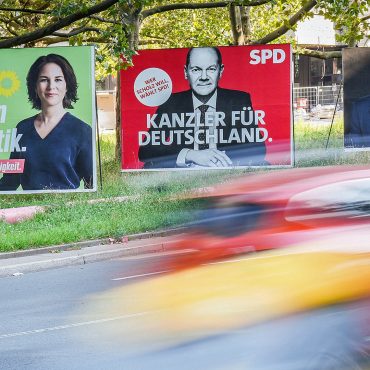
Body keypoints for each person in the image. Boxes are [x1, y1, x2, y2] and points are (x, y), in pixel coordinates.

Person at [138, 46, 268, 169]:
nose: (204, 77)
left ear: (220, 71)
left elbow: (258, 148)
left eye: (211, 69)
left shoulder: (238, 100)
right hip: (183, 173)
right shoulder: (171, 102)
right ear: (186, 72)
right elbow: (146, 151)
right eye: (196, 70)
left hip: (224, 170)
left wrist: (215, 158)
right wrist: (191, 154)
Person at [0, 53, 93, 191]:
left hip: (65, 208)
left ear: (67, 85)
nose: (51, 86)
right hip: (28, 209)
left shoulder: (82, 130)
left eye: (58, 79)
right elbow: (10, 181)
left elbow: (91, 183)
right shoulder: (22, 128)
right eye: (44, 80)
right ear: (35, 87)